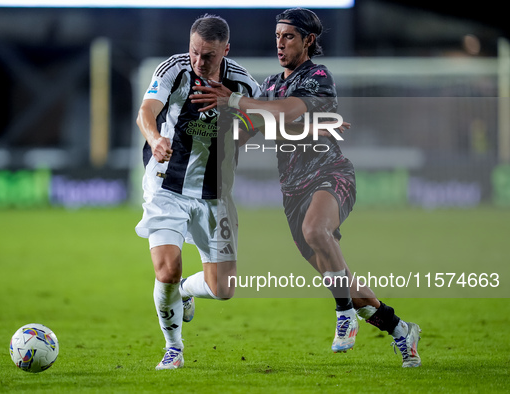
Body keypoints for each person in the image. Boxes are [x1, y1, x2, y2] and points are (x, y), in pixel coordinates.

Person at [190, 7, 422, 368]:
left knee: (316, 230)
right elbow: (252, 127)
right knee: (348, 284)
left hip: (331, 175)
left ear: (308, 40)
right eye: (278, 36)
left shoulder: (317, 77)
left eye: (289, 37)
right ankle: (401, 331)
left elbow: (282, 114)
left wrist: (235, 101)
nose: (280, 44)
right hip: (293, 192)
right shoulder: (269, 84)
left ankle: (342, 313)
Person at [135, 14, 261, 370]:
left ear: (226, 50)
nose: (199, 61)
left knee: (223, 289)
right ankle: (173, 347)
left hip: (215, 195)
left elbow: (259, 127)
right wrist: (155, 137)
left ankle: (187, 294)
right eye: (194, 52)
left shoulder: (244, 86)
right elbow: (147, 110)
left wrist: (233, 113)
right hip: (167, 185)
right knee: (167, 270)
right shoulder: (175, 70)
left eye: (208, 55)